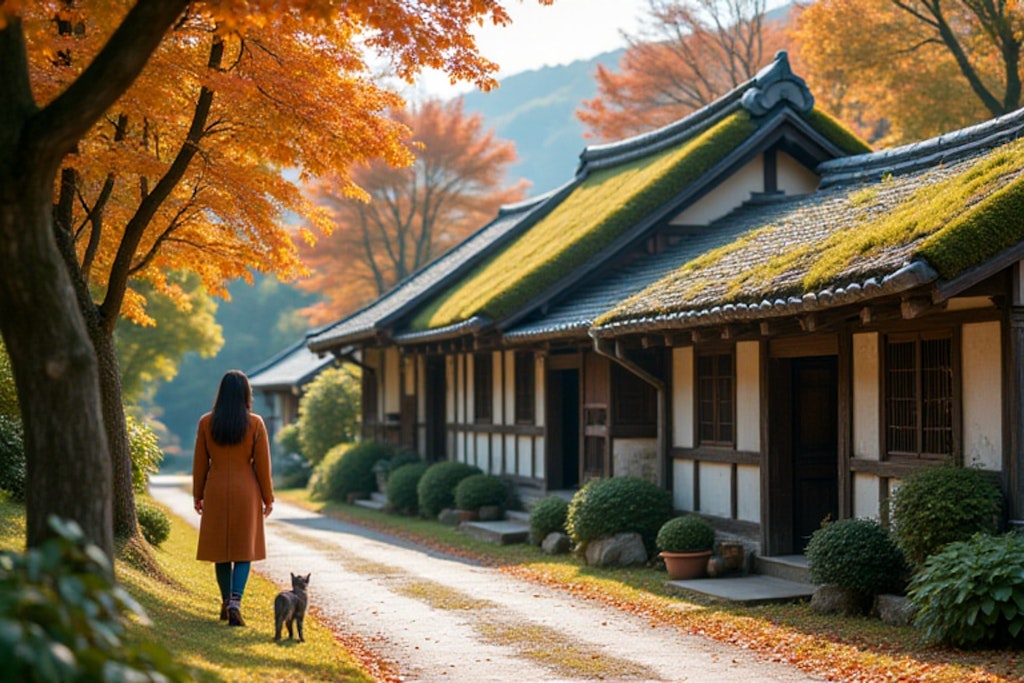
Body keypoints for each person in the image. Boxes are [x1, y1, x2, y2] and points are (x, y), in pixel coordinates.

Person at [193, 369, 274, 626]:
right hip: (245, 490)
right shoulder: (255, 423)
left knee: (221, 552)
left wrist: (198, 494)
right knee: (243, 551)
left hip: (215, 488)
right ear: (246, 394)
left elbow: (199, 464)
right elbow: (262, 466)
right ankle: (236, 601)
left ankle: (226, 601)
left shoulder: (206, 422)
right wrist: (268, 497)